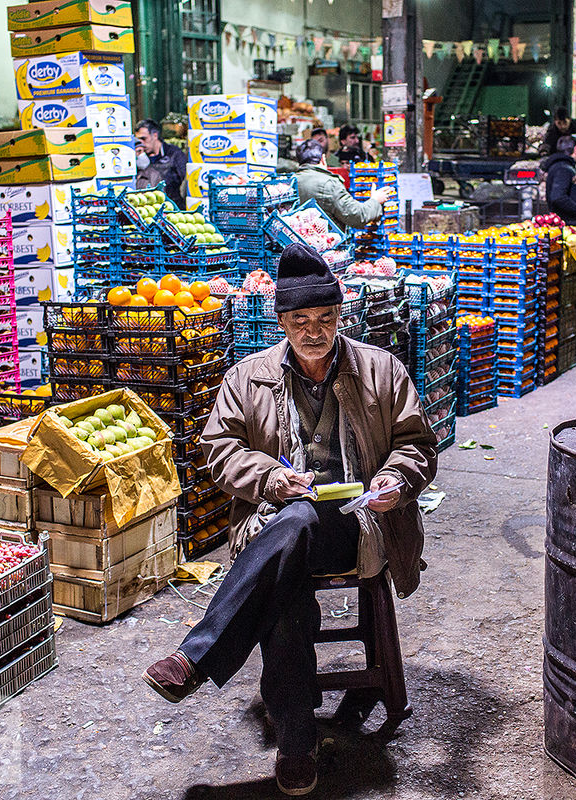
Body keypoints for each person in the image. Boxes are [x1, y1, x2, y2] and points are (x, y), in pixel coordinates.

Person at [143, 242, 438, 796]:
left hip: (358, 525)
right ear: (281, 321)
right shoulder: (248, 376)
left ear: (339, 317)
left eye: (324, 319)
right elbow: (220, 451)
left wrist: (396, 480)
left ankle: (197, 655)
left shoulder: (380, 369)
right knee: (286, 582)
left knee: (302, 521)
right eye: (300, 320)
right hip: (277, 526)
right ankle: (298, 746)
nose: (313, 331)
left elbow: (416, 443)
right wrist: (273, 479)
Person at [292, 139, 393, 230]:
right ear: (323, 159)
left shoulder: (289, 182)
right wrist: (375, 200)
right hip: (324, 245)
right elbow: (357, 216)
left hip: (292, 246)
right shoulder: (330, 184)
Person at [134, 118, 187, 207]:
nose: (141, 143)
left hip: (172, 207)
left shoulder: (173, 154)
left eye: (144, 139)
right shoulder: (139, 157)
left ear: (155, 135)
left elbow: (186, 180)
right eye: (139, 140)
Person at [541, 135, 576, 226]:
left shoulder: (558, 166)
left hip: (566, 222)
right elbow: (558, 197)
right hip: (570, 223)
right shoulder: (563, 169)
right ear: (575, 149)